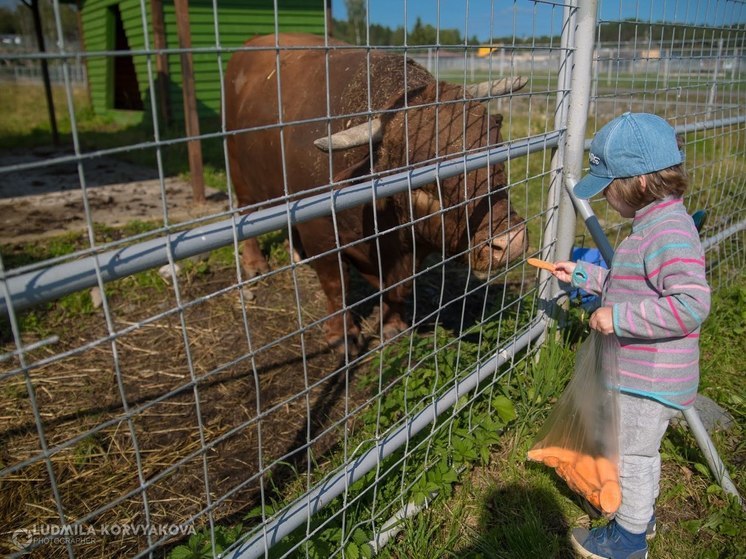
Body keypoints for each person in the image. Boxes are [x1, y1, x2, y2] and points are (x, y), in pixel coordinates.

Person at [551, 112, 711, 559]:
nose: (604, 195)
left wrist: (617, 319)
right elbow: (633, 284)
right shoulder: (656, 225)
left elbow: (691, 305)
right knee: (640, 451)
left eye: (608, 185)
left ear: (639, 182)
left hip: (650, 377)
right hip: (646, 372)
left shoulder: (668, 233)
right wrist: (583, 275)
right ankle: (643, 516)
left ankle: (629, 540)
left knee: (635, 456)